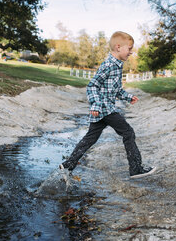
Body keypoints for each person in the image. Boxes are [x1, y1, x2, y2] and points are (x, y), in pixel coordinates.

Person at [59, 31, 157, 179]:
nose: (131, 52)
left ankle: (68, 165)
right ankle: (136, 169)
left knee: (90, 138)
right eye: (129, 48)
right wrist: (97, 105)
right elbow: (92, 86)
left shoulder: (117, 65)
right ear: (118, 47)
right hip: (105, 109)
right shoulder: (109, 65)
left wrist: (128, 97)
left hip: (102, 111)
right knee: (128, 133)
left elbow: (115, 89)